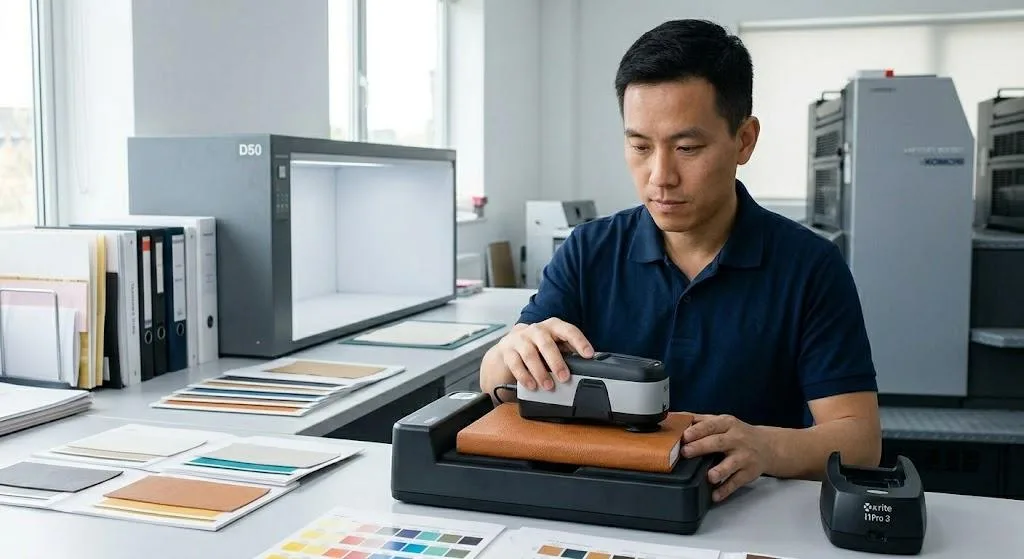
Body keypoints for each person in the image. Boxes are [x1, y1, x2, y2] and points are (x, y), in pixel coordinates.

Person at [479, 19, 881, 503]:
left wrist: (767, 446)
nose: (660, 176)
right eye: (640, 146)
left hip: (743, 511)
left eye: (687, 148)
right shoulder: (589, 251)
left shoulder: (810, 267)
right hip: (602, 498)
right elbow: (495, 385)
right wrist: (510, 351)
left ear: (744, 141)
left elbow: (860, 442)